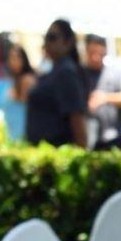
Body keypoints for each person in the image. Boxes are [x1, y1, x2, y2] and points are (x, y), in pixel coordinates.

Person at [24, 18, 88, 148]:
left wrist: (80, 153)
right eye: (46, 37)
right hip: (44, 151)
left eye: (52, 37)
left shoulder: (66, 72)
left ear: (68, 42)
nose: (47, 42)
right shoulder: (56, 70)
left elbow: (76, 118)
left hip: (58, 151)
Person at [81, 34, 121, 151]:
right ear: (86, 50)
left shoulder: (114, 72)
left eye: (100, 54)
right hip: (88, 135)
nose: (96, 58)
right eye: (92, 53)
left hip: (113, 136)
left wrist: (106, 98)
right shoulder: (80, 73)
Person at [2, 41, 36, 143]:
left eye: (17, 58)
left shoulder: (27, 80)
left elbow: (27, 109)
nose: (14, 61)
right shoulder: (13, 80)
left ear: (24, 59)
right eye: (11, 58)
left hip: (23, 132)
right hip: (12, 132)